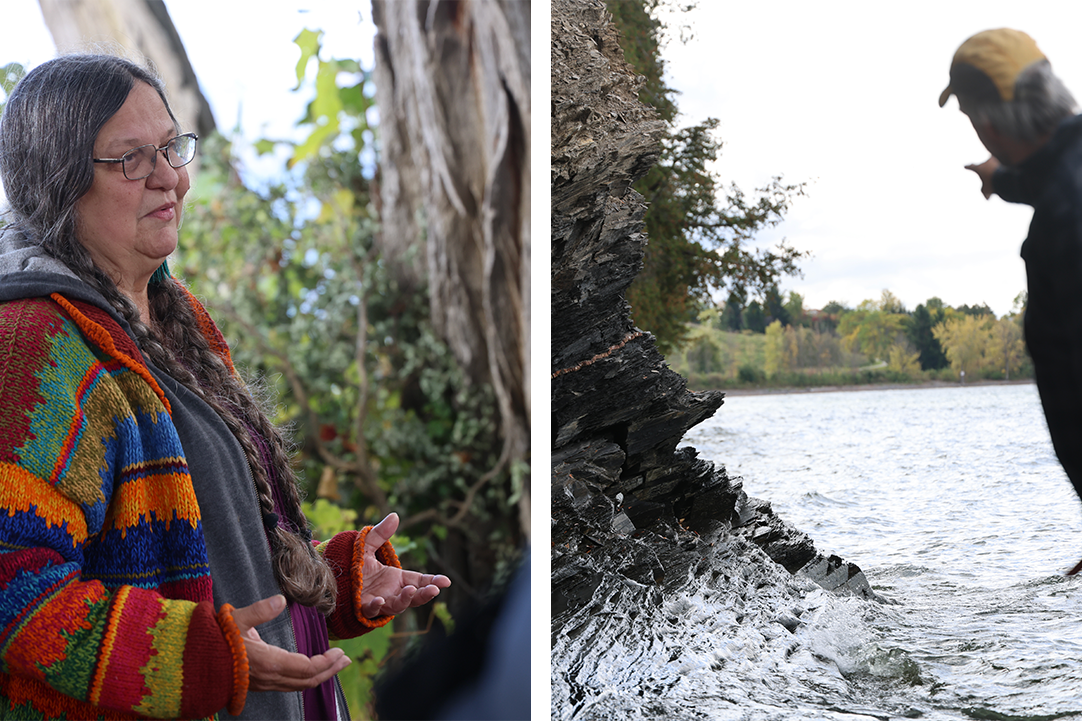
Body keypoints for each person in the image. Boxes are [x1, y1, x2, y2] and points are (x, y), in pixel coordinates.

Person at [0, 53, 450, 719]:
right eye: (131, 159)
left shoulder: (175, 315)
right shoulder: (30, 343)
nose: (171, 178)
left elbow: (218, 547)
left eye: (172, 148)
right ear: (57, 180)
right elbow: (14, 586)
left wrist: (330, 577)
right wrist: (199, 656)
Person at [939, 29, 1082, 572]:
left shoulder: (1068, 224)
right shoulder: (1064, 168)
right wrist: (998, 179)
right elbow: (1047, 175)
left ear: (989, 123)